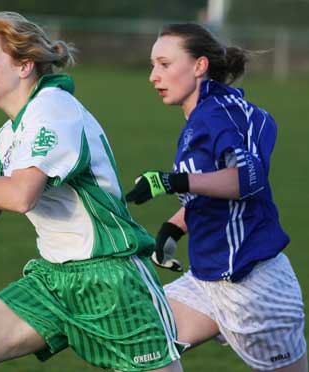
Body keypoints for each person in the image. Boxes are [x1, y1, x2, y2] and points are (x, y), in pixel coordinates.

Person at [0, 12, 185, 372]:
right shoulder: (11, 132)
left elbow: (21, 195)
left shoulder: (53, 110)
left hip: (111, 281)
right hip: (53, 281)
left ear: (24, 66)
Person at [126, 23, 307, 372]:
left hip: (253, 289)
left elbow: (247, 180)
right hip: (208, 282)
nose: (153, 76)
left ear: (199, 66)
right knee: (141, 345)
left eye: (164, 64)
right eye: (153, 64)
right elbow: (211, 188)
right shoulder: (215, 110)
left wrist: (169, 181)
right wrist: (174, 228)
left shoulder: (215, 115)